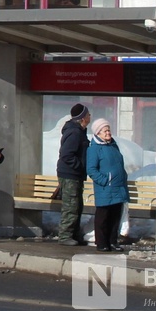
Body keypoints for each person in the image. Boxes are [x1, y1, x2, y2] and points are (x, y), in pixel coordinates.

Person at [86, 118, 129, 252]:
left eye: (109, 130)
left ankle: (113, 241)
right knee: (103, 217)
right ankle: (102, 243)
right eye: (105, 131)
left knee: (115, 217)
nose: (108, 133)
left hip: (118, 187)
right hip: (105, 188)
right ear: (98, 133)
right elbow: (91, 170)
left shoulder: (113, 146)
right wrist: (105, 180)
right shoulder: (94, 149)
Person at [56, 103, 92, 246]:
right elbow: (67, 155)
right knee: (71, 205)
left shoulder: (79, 131)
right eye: (88, 114)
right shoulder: (74, 133)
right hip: (70, 174)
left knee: (77, 205)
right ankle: (65, 236)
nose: (90, 117)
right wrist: (80, 166)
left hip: (75, 175)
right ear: (83, 118)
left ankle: (75, 234)